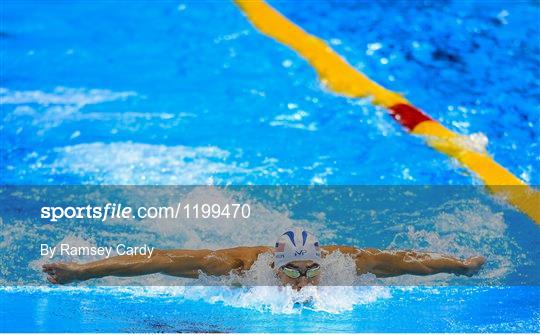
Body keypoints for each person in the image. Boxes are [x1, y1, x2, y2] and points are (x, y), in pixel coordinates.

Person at [43, 228, 485, 290]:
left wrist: (460, 264)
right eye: (290, 271)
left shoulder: (345, 262)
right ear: (273, 265)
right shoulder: (233, 264)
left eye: (308, 271)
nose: (299, 282)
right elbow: (156, 258)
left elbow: (412, 260)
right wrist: (83, 270)